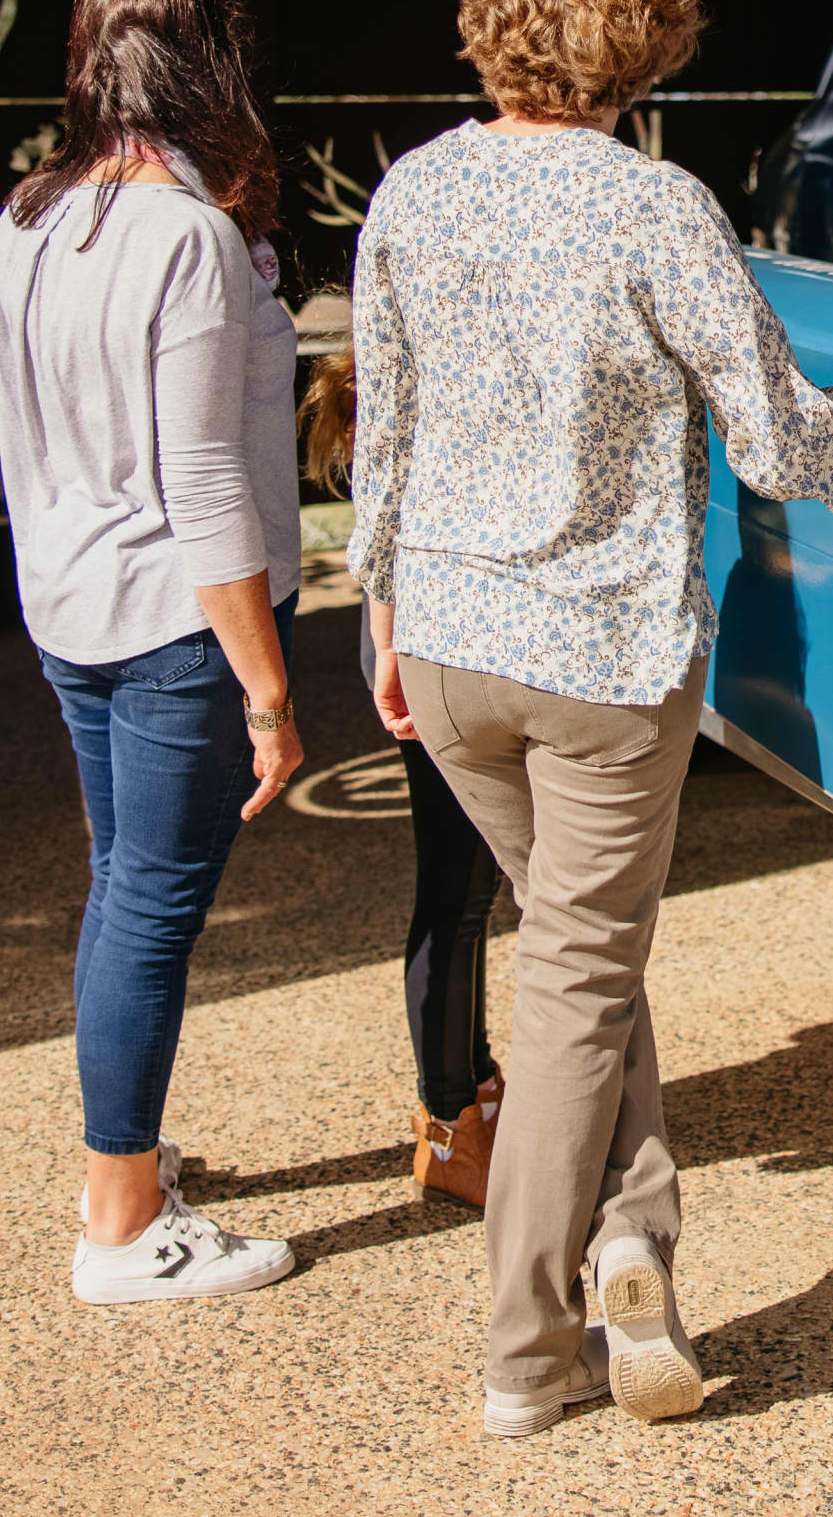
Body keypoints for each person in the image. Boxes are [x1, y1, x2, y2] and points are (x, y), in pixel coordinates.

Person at [350, 0, 833, 1436]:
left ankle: (634, 1234)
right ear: (644, 48)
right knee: (577, 980)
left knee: (577, 966)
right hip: (604, 665)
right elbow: (793, 446)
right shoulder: (652, 208)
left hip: (453, 654)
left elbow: (381, 438)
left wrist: (380, 617)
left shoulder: (412, 192)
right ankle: (529, 1355)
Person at [0, 0, 307, 1306]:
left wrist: (72, 472)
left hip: (70, 607)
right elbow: (208, 486)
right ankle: (119, 1220)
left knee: (122, 890)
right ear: (208, 63)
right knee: (150, 907)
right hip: (176, 625)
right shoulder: (191, 237)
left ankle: (129, 1160)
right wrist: (267, 688)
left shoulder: (33, 215)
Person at [299, 346, 507, 1206]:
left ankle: (473, 1081)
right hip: (426, 625)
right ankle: (449, 1126)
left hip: (427, 623)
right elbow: (388, 517)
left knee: (471, 888)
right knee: (456, 891)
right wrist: (389, 644)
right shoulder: (424, 361)